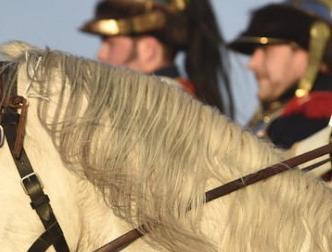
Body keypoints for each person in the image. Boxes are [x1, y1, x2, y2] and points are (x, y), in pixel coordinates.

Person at [80, 0, 234, 115]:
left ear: (148, 49)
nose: (100, 54)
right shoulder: (184, 97)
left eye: (111, 44)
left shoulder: (162, 103)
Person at [227, 0, 332, 155]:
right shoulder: (278, 116)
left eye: (265, 49)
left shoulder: (321, 114)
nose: (252, 64)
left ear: (311, 48)